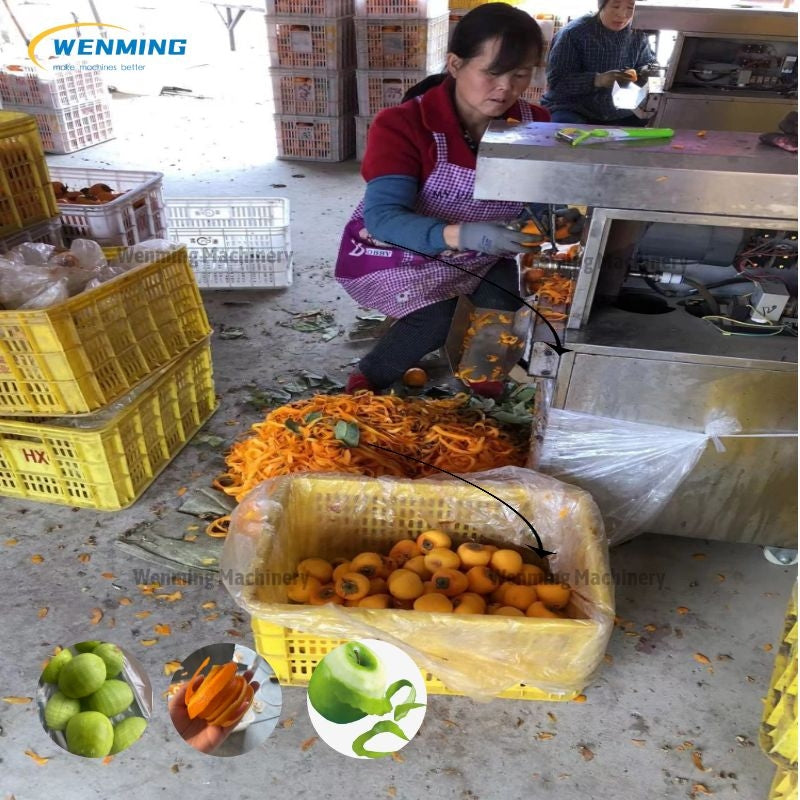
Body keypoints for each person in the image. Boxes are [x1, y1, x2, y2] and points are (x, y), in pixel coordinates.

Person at [335, 3, 550, 397]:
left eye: (520, 75)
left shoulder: (534, 124)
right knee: (440, 318)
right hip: (400, 252)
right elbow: (383, 219)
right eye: (492, 73)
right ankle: (366, 382)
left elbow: (544, 193)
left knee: (503, 304)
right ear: (455, 64)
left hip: (482, 251)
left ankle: (484, 386)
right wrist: (467, 234)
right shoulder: (404, 125)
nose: (506, 88)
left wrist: (552, 217)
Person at [542, 0, 658, 126]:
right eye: (616, 6)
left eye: (630, 7)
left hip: (619, 109)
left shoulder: (638, 34)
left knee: (654, 126)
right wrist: (598, 80)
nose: (622, 14)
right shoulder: (573, 33)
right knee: (566, 128)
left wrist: (646, 71)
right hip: (573, 107)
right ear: (601, 5)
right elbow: (557, 81)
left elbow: (647, 63)